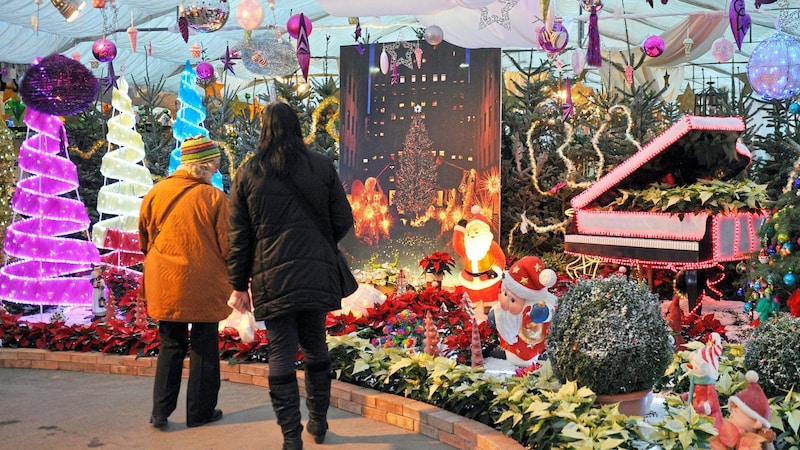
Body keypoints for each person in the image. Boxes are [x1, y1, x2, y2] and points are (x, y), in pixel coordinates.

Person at [227, 102, 354, 450]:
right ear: (297, 127)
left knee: (281, 354)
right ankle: (319, 421)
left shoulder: (249, 173)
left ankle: (290, 437)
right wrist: (319, 244)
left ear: (264, 130)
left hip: (272, 278)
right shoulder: (321, 166)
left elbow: (239, 236)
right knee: (315, 345)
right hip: (316, 272)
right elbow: (343, 219)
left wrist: (239, 284)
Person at [138, 135, 231, 429]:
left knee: (171, 344)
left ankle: (160, 411)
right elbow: (229, 246)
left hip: (164, 279)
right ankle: (199, 412)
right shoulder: (214, 198)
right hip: (203, 282)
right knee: (204, 346)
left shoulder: (157, 192)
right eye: (215, 164)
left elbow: (144, 236)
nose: (217, 170)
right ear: (204, 166)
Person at [487, 256, 557, 367]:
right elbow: (496, 314)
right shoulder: (503, 310)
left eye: (513, 300)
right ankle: (506, 351)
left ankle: (539, 355)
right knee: (509, 344)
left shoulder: (532, 309)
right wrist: (493, 316)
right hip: (510, 345)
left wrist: (540, 313)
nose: (506, 301)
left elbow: (548, 315)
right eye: (505, 294)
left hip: (531, 349)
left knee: (532, 351)